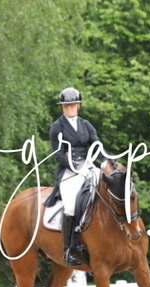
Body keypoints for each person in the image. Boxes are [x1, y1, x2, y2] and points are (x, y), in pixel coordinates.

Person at [44, 87, 107, 266]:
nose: (69, 108)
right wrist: (73, 165)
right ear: (62, 107)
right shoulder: (57, 127)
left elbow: (96, 145)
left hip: (88, 165)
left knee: (107, 187)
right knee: (71, 206)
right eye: (66, 106)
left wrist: (106, 161)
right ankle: (69, 249)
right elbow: (58, 154)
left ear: (78, 105)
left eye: (72, 105)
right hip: (68, 169)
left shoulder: (86, 124)